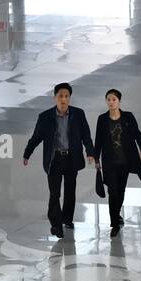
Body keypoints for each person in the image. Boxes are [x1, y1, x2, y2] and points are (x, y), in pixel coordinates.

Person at [22, 83, 95, 239]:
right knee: (54, 194)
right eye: (60, 96)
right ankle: (56, 225)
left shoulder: (78, 114)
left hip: (71, 158)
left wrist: (90, 152)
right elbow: (36, 138)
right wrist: (27, 153)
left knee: (70, 192)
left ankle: (67, 219)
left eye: (66, 96)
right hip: (54, 160)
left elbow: (86, 135)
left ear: (69, 98)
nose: (63, 99)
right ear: (55, 97)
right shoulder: (45, 117)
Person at [92, 89, 141, 237]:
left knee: (120, 192)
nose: (111, 102)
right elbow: (98, 140)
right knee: (112, 192)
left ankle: (116, 214)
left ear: (119, 101)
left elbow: (137, 134)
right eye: (108, 99)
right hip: (110, 162)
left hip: (125, 161)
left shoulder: (128, 117)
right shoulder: (102, 119)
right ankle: (114, 224)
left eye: (114, 99)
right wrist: (96, 158)